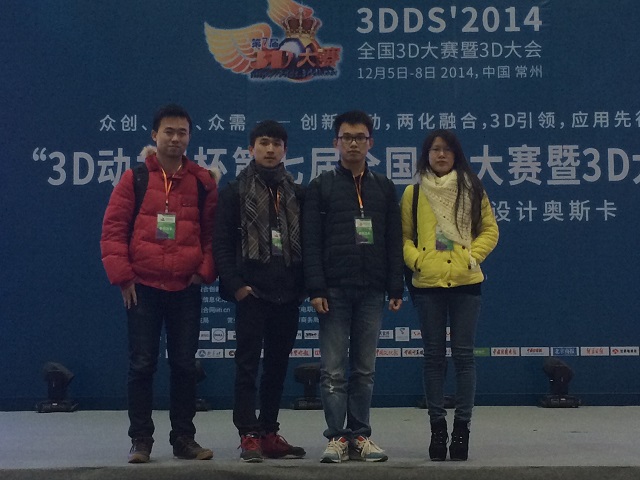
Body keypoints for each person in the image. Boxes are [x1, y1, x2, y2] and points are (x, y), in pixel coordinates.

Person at [101, 104, 217, 463]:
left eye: (182, 132)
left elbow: (214, 235)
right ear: (155, 135)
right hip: (144, 287)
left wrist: (203, 271)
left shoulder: (202, 182)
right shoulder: (134, 178)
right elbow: (114, 230)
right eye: (169, 131)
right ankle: (141, 440)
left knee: (184, 366)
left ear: (189, 137)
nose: (175, 138)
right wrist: (124, 277)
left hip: (185, 289)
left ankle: (184, 439)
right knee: (141, 365)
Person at [303, 110, 404, 463]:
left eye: (360, 138)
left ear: (370, 143)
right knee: (333, 370)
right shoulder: (321, 186)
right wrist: (316, 288)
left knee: (364, 370)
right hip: (333, 291)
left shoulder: (384, 187)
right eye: (347, 137)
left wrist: (395, 287)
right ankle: (337, 438)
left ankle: (360, 435)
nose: (353, 144)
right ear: (336, 143)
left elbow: (393, 241)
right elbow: (311, 242)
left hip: (372, 289)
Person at [401, 129, 498, 461]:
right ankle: (438, 429)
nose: (440, 155)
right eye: (434, 149)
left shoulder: (472, 189)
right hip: (428, 284)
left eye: (446, 149)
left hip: (465, 282)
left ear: (456, 154)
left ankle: (462, 430)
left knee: (464, 357)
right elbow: (404, 237)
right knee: (433, 357)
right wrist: (417, 261)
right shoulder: (413, 193)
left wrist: (472, 256)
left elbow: (490, 230)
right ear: (426, 155)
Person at [213, 120, 306, 463]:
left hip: (287, 294)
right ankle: (248, 434)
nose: (270, 149)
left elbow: (308, 243)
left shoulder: (297, 192)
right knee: (247, 367)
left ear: (285, 150)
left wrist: (301, 288)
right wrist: (237, 287)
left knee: (278, 367)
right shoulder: (234, 192)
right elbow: (221, 245)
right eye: (264, 143)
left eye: (276, 144)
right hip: (251, 294)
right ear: (251, 149)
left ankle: (268, 431)